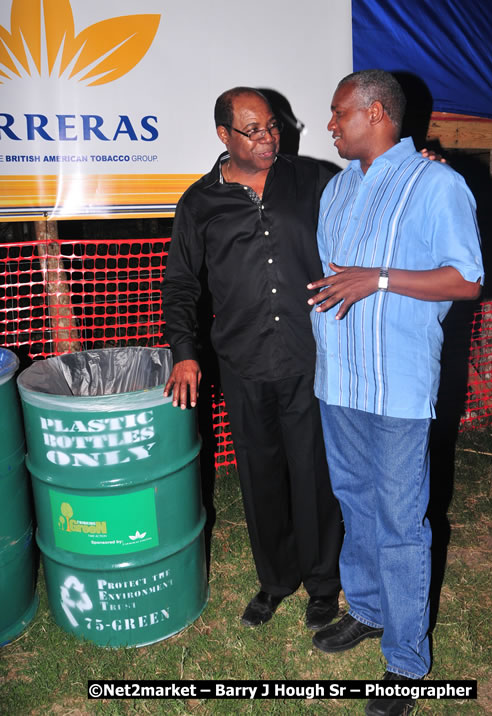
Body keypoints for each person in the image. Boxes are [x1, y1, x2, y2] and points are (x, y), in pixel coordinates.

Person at [307, 70, 483, 716]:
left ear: (377, 113)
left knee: (401, 522)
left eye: (338, 114)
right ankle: (372, 611)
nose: (330, 125)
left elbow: (465, 279)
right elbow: (333, 276)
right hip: (340, 378)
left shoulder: (438, 185)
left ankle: (407, 663)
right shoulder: (337, 190)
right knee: (354, 501)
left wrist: (378, 280)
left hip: (398, 385)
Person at [161, 87, 343, 632]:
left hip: (310, 355)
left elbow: (373, 192)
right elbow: (180, 286)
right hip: (242, 361)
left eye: (273, 127)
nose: (268, 138)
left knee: (314, 473)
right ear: (224, 136)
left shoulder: (312, 179)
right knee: (260, 475)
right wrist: (185, 353)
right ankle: (275, 581)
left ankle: (323, 583)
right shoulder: (199, 203)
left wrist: (417, 164)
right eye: (253, 130)